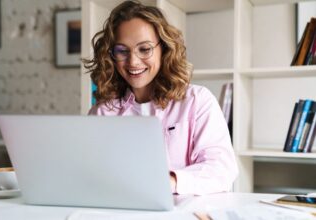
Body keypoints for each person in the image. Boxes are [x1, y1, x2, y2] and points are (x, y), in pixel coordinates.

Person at [84, 0, 238, 195]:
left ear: (163, 49)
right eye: (122, 51)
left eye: (144, 49)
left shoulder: (198, 101)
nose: (133, 61)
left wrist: (170, 181)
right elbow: (90, 173)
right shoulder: (102, 112)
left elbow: (222, 170)